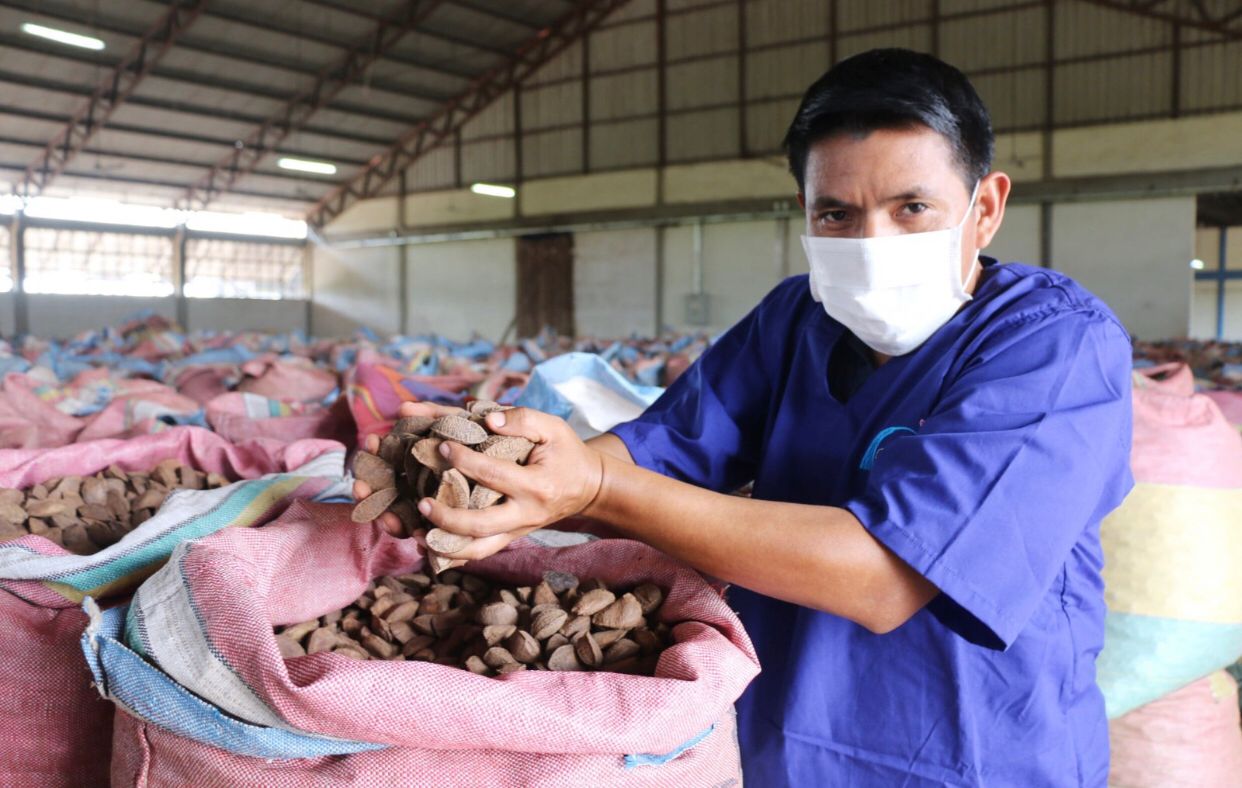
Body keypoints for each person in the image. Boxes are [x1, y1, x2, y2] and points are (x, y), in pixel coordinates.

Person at [354, 49, 1134, 785]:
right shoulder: (795, 321)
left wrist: (591, 487)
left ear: (985, 207)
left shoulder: (1054, 345)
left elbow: (888, 576)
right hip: (780, 740)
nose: (872, 242)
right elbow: (659, 455)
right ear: (803, 211)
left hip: (971, 751)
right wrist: (511, 475)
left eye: (913, 208)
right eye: (835, 214)